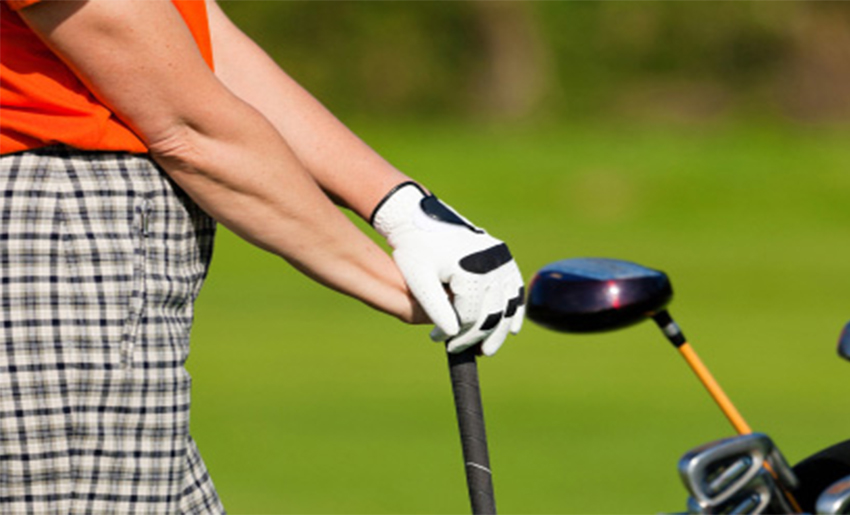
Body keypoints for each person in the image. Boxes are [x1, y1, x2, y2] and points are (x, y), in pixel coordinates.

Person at [0, 0, 525, 513]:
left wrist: (405, 210)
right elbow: (186, 127)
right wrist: (398, 284)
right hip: (59, 239)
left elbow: (200, 41)